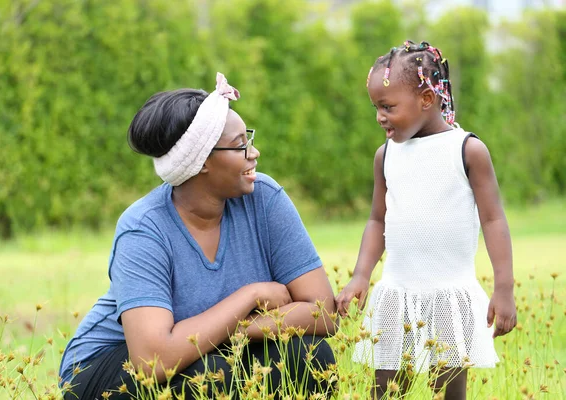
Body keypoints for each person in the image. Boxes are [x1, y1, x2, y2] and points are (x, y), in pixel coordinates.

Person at [59, 73, 337, 400]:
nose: (254, 152)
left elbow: (322, 311)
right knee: (213, 375)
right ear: (202, 161)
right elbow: (153, 360)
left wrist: (238, 330)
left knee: (309, 355)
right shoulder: (143, 227)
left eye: (248, 139)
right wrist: (250, 296)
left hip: (204, 354)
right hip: (104, 366)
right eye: (239, 145)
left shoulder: (263, 198)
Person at [335, 41, 517, 400]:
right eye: (376, 107)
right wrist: (360, 274)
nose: (379, 117)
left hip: (449, 295)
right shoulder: (385, 156)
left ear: (426, 100)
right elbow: (376, 221)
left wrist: (504, 288)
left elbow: (494, 219)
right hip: (396, 293)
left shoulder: (467, 150)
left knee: (447, 393)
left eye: (388, 107)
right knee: (385, 391)